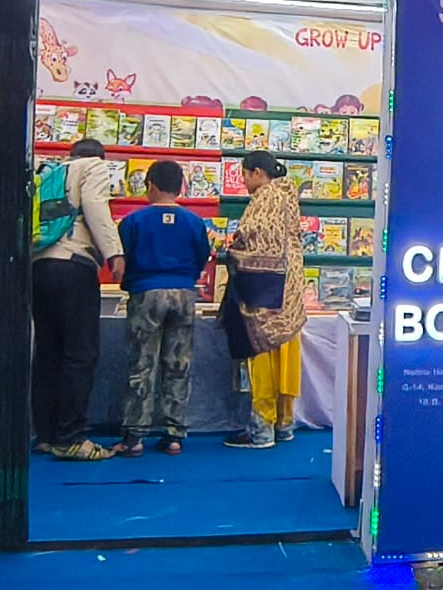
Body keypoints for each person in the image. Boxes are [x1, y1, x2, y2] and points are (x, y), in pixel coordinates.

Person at [32, 137, 125, 461]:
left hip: (39, 265)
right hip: (73, 265)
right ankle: (71, 438)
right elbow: (96, 207)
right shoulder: (93, 167)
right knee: (80, 353)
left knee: (48, 353)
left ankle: (46, 435)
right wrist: (114, 252)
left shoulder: (49, 173)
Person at [116, 159, 211, 457]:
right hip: (183, 292)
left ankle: (134, 436)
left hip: (146, 291)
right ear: (181, 186)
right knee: (178, 364)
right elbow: (202, 256)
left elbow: (124, 256)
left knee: (141, 364)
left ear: (151, 186)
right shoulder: (195, 222)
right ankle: (173, 435)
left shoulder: (133, 221)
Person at [220, 150, 305, 449]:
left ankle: (261, 429)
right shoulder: (288, 196)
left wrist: (232, 249)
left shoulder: (265, 198)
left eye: (245, 175)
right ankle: (284, 423)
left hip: (265, 292)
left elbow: (253, 237)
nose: (244, 182)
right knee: (287, 355)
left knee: (262, 353)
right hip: (290, 290)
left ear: (257, 173)